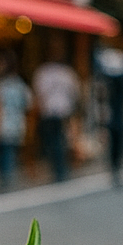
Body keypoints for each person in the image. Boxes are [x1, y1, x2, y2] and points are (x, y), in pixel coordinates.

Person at [32, 42, 80, 182]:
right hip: (64, 111)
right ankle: (61, 169)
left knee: (53, 142)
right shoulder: (67, 73)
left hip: (49, 112)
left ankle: (58, 169)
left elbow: (39, 94)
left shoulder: (43, 72)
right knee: (61, 140)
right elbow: (74, 93)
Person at [0, 53, 31, 190]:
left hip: (3, 122)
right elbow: (29, 103)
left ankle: (6, 178)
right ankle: (9, 176)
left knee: (4, 151)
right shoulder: (20, 84)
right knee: (11, 150)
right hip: (18, 122)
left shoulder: (2, 85)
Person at [95, 46, 123, 186]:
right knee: (116, 144)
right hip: (114, 117)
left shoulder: (110, 80)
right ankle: (116, 169)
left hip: (115, 117)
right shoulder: (118, 81)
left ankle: (116, 169)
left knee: (117, 144)